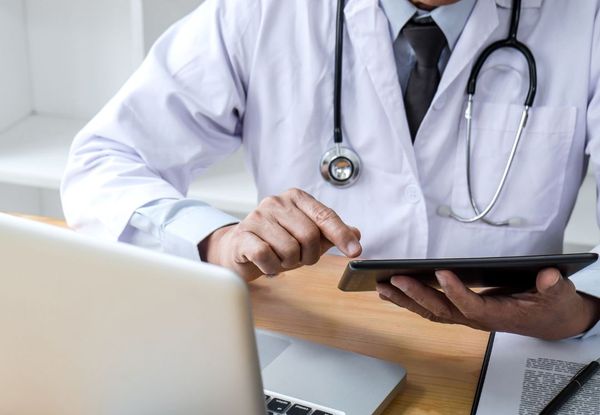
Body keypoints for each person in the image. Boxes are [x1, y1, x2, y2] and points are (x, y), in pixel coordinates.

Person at [61, 0, 600, 341]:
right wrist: (218, 242)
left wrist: (583, 315)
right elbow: (103, 163)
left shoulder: (587, 20)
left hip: (512, 354)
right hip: (314, 336)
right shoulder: (260, 11)